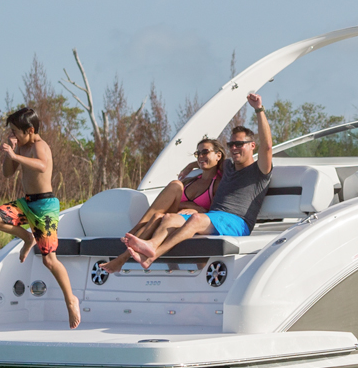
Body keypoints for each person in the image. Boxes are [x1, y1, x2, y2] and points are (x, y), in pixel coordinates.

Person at [116, 93, 272, 268]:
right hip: (213, 217)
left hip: (237, 222)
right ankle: (154, 249)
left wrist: (259, 109)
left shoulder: (260, 170)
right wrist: (191, 165)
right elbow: (208, 161)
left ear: (252, 145)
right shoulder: (228, 166)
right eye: (231, 145)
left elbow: (267, 147)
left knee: (196, 219)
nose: (234, 148)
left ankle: (152, 256)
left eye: (239, 144)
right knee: (168, 219)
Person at [0, 106, 82, 328]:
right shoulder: (21, 147)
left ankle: (71, 300)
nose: (12, 134)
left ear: (29, 130)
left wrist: (15, 155)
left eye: (15, 131)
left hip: (45, 207)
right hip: (26, 203)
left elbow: (42, 166)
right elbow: (7, 173)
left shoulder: (40, 146)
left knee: (49, 260)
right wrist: (11, 152)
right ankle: (27, 238)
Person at [99, 137, 226, 275]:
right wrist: (187, 202)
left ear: (218, 155)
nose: (200, 157)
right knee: (175, 185)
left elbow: (216, 213)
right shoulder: (190, 180)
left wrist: (196, 209)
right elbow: (172, 203)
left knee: (158, 217)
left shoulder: (218, 184)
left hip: (189, 221)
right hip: (175, 214)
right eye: (198, 153)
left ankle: (122, 257)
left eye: (205, 152)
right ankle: (134, 231)